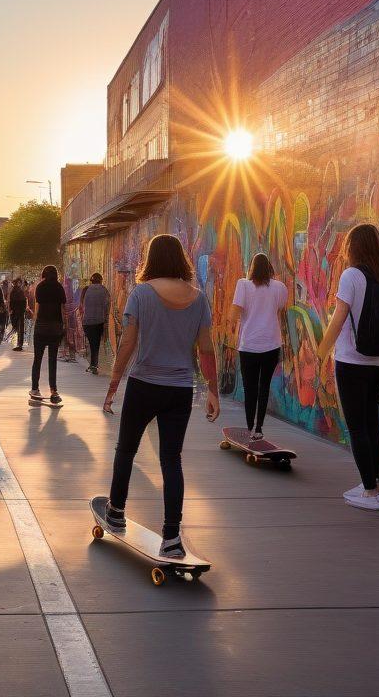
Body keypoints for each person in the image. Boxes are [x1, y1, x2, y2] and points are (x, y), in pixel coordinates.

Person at [102, 234, 220, 559]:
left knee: (126, 450)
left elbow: (127, 343)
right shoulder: (198, 298)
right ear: (181, 259)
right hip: (180, 390)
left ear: (150, 259)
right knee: (171, 460)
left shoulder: (141, 294)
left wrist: (113, 384)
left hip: (144, 385)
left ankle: (116, 510)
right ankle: (171, 537)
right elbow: (206, 348)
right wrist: (212, 389)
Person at [316, 223, 379, 512]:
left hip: (353, 361)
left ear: (353, 247)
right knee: (370, 424)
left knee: (357, 426)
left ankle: (371, 493)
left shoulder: (351, 275)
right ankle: (377, 484)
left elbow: (339, 317)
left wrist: (320, 351)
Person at [229, 253, 289, 441]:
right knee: (264, 387)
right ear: (269, 268)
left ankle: (248, 426)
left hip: (249, 346)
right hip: (271, 344)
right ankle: (259, 428)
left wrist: (232, 324)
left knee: (250, 387)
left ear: (252, 268)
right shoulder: (280, 287)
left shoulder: (243, 285)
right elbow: (279, 308)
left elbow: (234, 314)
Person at [29, 265, 67, 404]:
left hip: (41, 327)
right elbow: (63, 309)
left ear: (44, 274)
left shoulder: (40, 287)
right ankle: (54, 390)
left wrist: (35, 322)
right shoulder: (59, 287)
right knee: (52, 360)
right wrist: (64, 326)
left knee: (37, 359)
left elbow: (37, 307)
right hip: (55, 328)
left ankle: (34, 388)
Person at [78, 273, 110, 374]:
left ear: (91, 281)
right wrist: (106, 320)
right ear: (101, 280)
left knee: (92, 343)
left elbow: (81, 307)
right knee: (95, 344)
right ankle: (94, 364)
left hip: (87, 322)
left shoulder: (86, 290)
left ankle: (93, 364)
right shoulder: (104, 290)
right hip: (99, 321)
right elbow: (107, 306)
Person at [9, 277, 28, 351]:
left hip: (17, 312)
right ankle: (19, 344)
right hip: (18, 312)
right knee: (18, 328)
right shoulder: (17, 291)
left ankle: (19, 344)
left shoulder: (17, 291)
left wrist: (12, 309)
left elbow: (13, 302)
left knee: (18, 328)